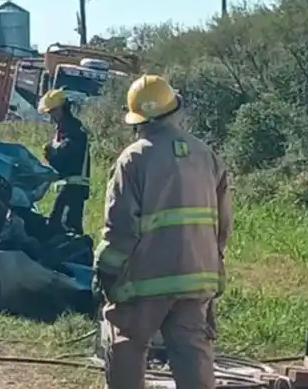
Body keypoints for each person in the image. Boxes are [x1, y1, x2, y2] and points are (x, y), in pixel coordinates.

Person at [94, 74, 233, 389]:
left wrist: (106, 270)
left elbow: (121, 229)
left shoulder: (133, 159)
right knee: (192, 353)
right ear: (174, 110)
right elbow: (223, 223)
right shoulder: (205, 155)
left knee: (126, 342)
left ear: (137, 120)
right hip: (198, 277)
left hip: (145, 279)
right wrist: (210, 258)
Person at [37, 88, 90, 234]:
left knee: (67, 229)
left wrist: (50, 151)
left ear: (61, 108)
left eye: (52, 112)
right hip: (66, 186)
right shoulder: (64, 128)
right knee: (56, 225)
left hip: (75, 187)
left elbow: (66, 156)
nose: (51, 116)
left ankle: (78, 255)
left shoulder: (75, 129)